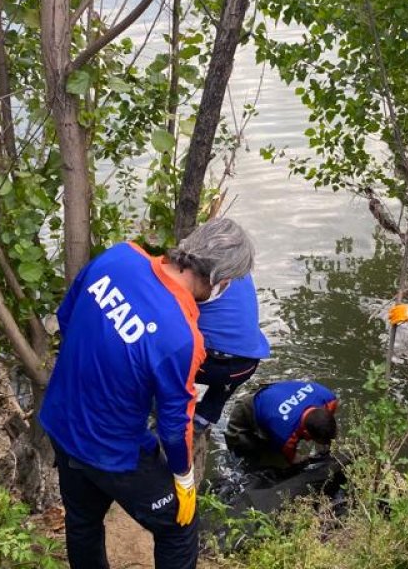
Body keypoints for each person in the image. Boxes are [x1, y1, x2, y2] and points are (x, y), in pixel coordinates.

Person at [39, 218, 255, 569]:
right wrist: (184, 479)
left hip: (61, 419)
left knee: (82, 521)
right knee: (179, 528)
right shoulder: (183, 338)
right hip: (113, 451)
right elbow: (174, 425)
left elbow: (66, 318)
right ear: (218, 281)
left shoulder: (118, 257)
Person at [194, 274, 271, 432]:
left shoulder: (196, 272)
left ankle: (163, 405)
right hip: (247, 365)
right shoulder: (241, 267)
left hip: (206, 366)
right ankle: (203, 418)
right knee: (224, 385)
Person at [225, 380, 338, 471]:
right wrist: (303, 459)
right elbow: (294, 459)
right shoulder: (285, 435)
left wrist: (324, 450)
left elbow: (325, 425)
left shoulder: (328, 398)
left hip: (276, 395)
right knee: (244, 451)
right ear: (306, 433)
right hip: (249, 407)